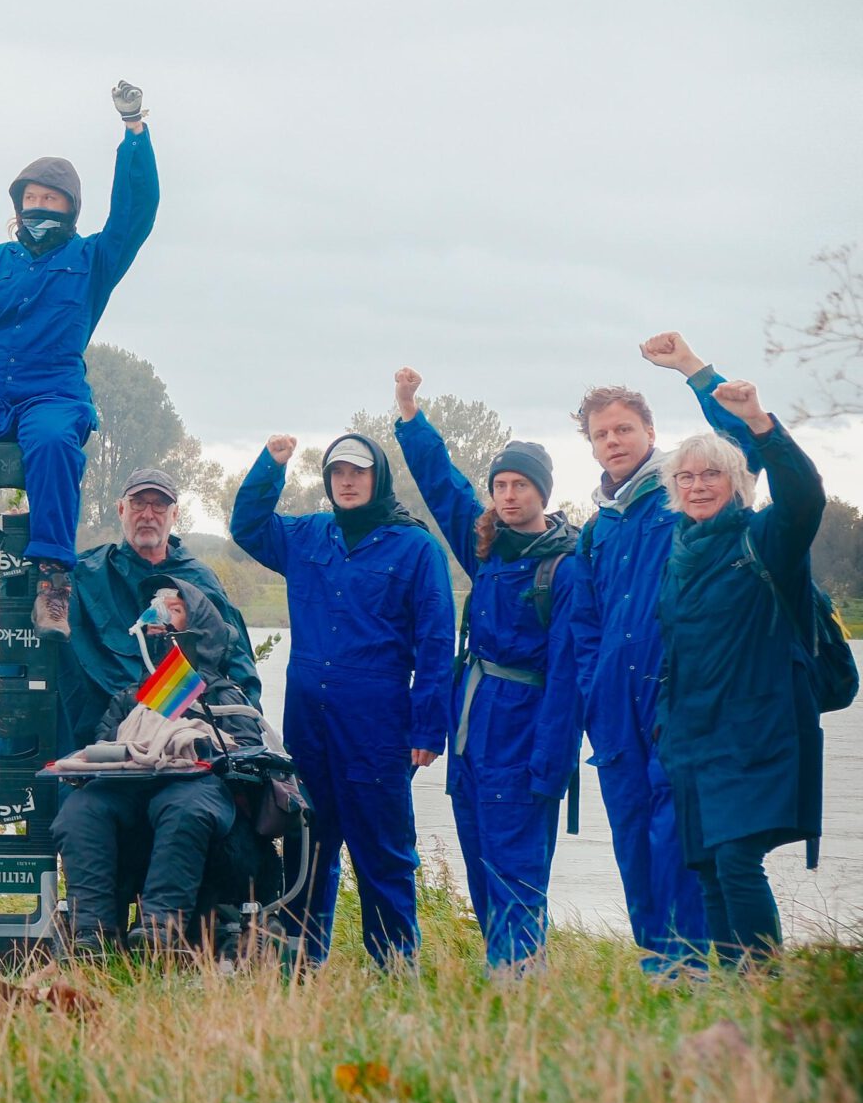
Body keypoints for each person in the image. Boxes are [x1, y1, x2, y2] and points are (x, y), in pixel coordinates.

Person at [564, 333, 759, 973]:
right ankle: (659, 964)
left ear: (650, 431)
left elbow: (748, 445)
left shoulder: (683, 495)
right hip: (615, 707)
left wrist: (692, 369)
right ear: (591, 444)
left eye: (624, 428)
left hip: (676, 697)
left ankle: (695, 962)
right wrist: (593, 691)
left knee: (677, 835)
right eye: (601, 434)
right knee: (630, 836)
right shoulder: (599, 526)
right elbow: (586, 623)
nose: (613, 441)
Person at [232, 431, 453, 968]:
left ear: (378, 476)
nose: (347, 481)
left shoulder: (416, 548)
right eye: (337, 473)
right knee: (308, 847)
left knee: (384, 851)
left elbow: (437, 642)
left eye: (357, 471)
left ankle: (395, 966)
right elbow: (247, 527)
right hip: (309, 722)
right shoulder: (308, 535)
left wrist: (427, 727)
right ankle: (302, 966)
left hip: (377, 722)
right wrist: (271, 465)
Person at [390, 368, 581, 974]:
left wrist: (551, 765)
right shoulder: (487, 545)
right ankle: (504, 967)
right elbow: (444, 487)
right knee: (478, 855)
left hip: (524, 736)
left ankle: (522, 975)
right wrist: (409, 416)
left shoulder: (566, 568)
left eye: (521, 485)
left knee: (517, 858)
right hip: (472, 732)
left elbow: (570, 678)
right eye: (500, 484)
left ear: (542, 494)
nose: (507, 494)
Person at [0, 81, 158, 629]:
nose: (39, 208)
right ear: (18, 207)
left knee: (51, 441)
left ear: (69, 209)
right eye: (31, 200)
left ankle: (52, 579)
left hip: (53, 390)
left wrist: (134, 132)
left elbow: (134, 216)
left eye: (51, 200)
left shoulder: (92, 259)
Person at [651, 378, 827, 969]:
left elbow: (805, 498)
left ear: (739, 484)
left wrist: (760, 425)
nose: (698, 486)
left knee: (735, 859)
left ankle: (762, 980)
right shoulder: (677, 555)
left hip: (756, 734)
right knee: (706, 866)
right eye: (687, 477)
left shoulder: (764, 539)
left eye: (712, 476)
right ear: (674, 489)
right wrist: (665, 728)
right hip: (692, 739)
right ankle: (734, 985)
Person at [54, 571, 270, 957]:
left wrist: (193, 746)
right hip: (128, 795)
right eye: (155, 608)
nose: (159, 615)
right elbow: (104, 745)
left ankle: (159, 929)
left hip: (197, 801)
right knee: (82, 809)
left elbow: (250, 751)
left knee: (181, 805)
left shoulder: (224, 694)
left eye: (174, 609)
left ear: (199, 627)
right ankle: (93, 934)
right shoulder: (129, 700)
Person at [57, 464, 261, 756]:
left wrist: (247, 727)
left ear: (174, 515)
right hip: (112, 727)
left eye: (159, 506)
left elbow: (236, 655)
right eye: (138, 503)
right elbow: (39, 583)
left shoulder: (200, 580)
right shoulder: (87, 572)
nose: (148, 515)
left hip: (186, 726)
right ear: (121, 510)